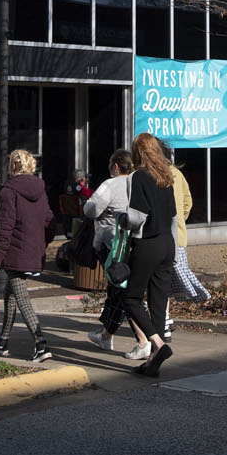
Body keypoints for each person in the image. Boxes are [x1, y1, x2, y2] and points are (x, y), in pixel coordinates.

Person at [0, 148, 55, 362]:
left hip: (14, 252)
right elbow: (49, 221)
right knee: (12, 294)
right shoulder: (41, 190)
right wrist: (41, 244)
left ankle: (40, 344)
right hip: (32, 250)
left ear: (12, 166)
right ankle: (2, 340)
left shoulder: (8, 191)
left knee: (21, 296)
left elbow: (5, 229)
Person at [120, 131, 178, 377]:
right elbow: (174, 217)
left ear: (138, 153)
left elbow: (137, 218)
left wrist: (120, 218)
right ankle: (152, 363)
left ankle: (159, 345)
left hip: (148, 244)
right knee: (158, 303)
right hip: (168, 243)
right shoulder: (166, 177)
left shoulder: (138, 177)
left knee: (131, 298)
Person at [83, 149, 132, 351]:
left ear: (116, 166)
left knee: (118, 290)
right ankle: (106, 332)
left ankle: (137, 336)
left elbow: (91, 209)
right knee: (117, 288)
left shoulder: (110, 185)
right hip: (132, 243)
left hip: (111, 243)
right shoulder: (136, 184)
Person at [163, 139, 210, 337]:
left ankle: (163, 320)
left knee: (159, 280)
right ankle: (165, 317)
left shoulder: (153, 176)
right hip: (178, 237)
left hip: (160, 237)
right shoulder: (178, 174)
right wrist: (181, 220)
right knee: (167, 280)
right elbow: (188, 202)